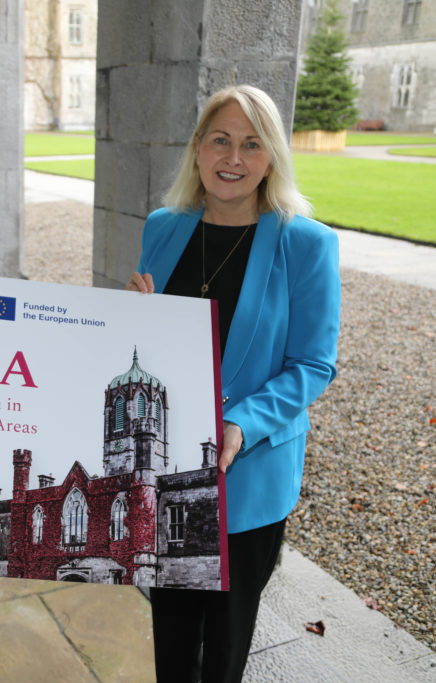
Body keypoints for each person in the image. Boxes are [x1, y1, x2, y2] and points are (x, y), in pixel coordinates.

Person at [127, 85, 341, 681]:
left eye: (252, 143)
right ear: (198, 149)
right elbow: (158, 341)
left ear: (272, 156)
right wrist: (134, 322)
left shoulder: (307, 243)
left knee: (223, 644)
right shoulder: (164, 228)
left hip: (248, 472)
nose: (233, 157)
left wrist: (240, 423)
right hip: (167, 468)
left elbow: (314, 364)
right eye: (220, 139)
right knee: (170, 630)